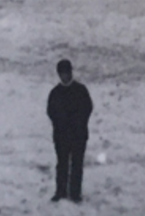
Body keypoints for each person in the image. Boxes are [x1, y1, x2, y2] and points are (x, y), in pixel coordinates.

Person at [46, 58, 93, 202]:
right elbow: (51, 112)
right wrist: (61, 125)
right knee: (62, 164)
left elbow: (87, 109)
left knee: (77, 165)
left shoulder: (80, 90)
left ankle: (75, 193)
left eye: (66, 73)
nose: (64, 76)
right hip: (62, 136)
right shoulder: (55, 93)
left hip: (78, 135)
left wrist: (77, 124)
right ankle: (61, 191)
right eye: (62, 73)